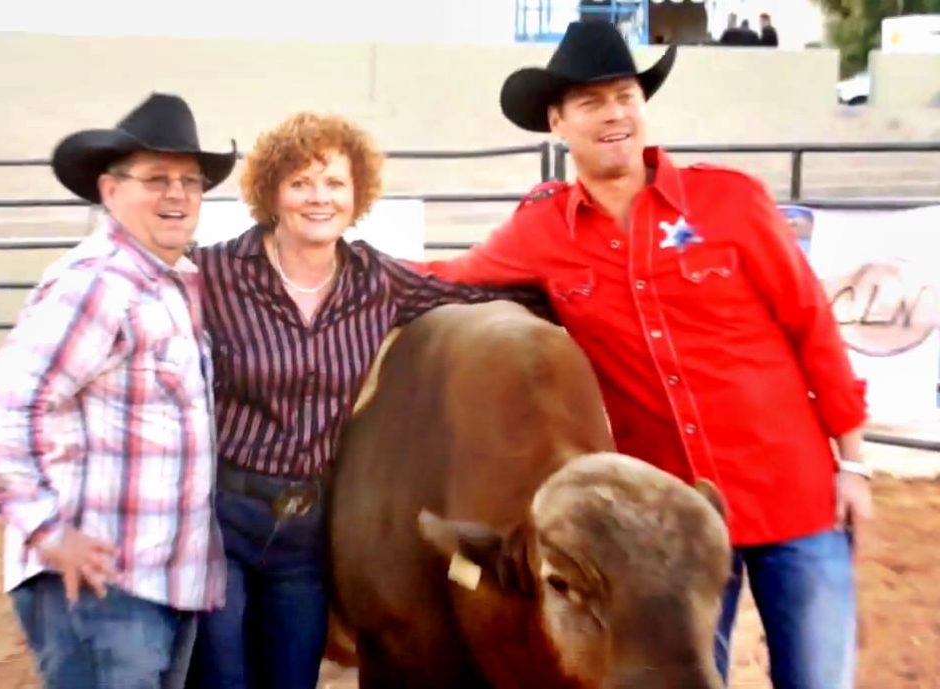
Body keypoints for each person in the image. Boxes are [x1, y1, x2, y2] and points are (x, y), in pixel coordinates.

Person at [411, 21, 873, 689]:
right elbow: (444, 276)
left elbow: (812, 325)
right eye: (592, 103)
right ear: (557, 121)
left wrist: (854, 461)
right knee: (672, 675)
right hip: (661, 525)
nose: (615, 115)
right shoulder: (542, 229)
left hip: (794, 498)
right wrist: (323, 259)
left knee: (818, 680)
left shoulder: (730, 200)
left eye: (625, 95)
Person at [185, 112, 549, 689]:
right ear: (270, 192)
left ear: (358, 196)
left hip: (306, 532)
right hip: (220, 519)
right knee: (221, 678)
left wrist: (562, 298)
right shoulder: (213, 273)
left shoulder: (376, 281)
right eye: (300, 182)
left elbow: (468, 296)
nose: (318, 198)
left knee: (291, 679)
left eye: (335, 183)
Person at [0, 92, 235, 689]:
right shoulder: (100, 284)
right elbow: (2, 407)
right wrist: (48, 530)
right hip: (101, 585)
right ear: (110, 191)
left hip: (152, 579)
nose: (177, 195)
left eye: (190, 181)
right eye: (157, 179)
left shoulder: (169, 282)